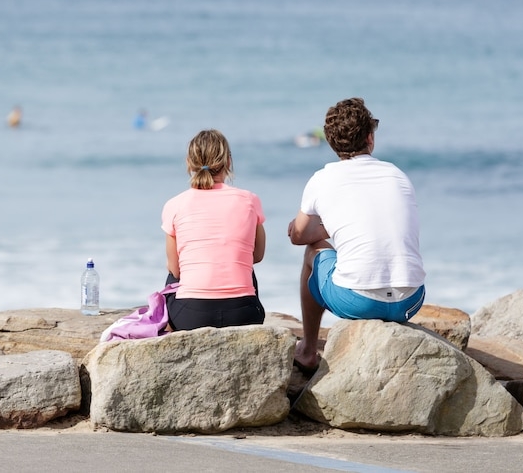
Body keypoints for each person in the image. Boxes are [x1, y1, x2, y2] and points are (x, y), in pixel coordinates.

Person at [288, 98, 426, 374]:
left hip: (359, 301)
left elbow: (299, 235)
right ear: (370, 138)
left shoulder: (323, 179)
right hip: (410, 300)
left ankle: (308, 350)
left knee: (313, 252)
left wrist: (304, 227)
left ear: (331, 143)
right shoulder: (397, 175)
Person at [160, 129, 266, 330]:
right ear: (228, 162)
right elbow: (257, 255)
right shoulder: (250, 200)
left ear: (189, 163)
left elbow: (175, 269)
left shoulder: (175, 204)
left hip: (190, 318)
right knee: (244, 267)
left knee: (174, 273)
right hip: (244, 315)